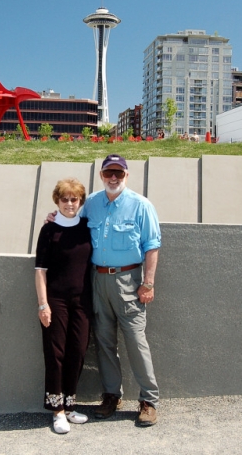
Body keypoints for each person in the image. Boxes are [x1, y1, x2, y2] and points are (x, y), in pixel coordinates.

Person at [47, 154, 161, 427]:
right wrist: (53, 218)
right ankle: (111, 395)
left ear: (126, 176)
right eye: (109, 173)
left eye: (118, 174)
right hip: (97, 282)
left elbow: (152, 245)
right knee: (105, 343)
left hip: (129, 282)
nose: (113, 178)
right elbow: (71, 220)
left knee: (135, 341)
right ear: (101, 175)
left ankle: (148, 400)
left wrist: (148, 282)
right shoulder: (92, 204)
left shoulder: (141, 205)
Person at [35, 178, 92, 434]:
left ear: (80, 201)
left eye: (74, 199)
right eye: (65, 199)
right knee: (55, 355)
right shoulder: (49, 229)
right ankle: (57, 411)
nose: (70, 203)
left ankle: (70, 405)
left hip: (82, 301)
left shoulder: (87, 226)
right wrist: (43, 305)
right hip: (55, 301)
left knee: (77, 352)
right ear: (57, 201)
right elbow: (40, 271)